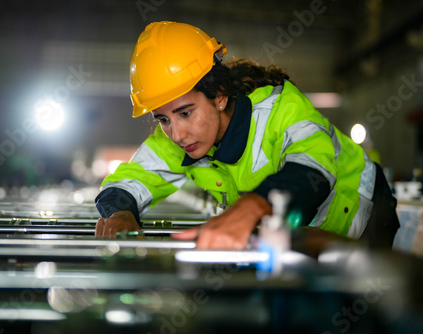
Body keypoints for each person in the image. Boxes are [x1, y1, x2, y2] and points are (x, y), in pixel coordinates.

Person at [94, 21, 399, 250]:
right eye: (162, 119)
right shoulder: (178, 139)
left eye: (185, 112)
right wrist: (121, 214)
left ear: (220, 95)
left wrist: (251, 207)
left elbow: (314, 172)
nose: (176, 133)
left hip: (365, 214)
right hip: (294, 234)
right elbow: (125, 183)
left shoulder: (281, 108)